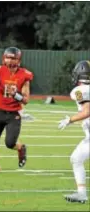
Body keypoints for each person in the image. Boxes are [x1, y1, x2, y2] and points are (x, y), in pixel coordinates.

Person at [0, 47, 33, 173]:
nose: (9, 60)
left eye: (12, 58)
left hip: (14, 114)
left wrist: (15, 95)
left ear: (18, 60)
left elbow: (26, 100)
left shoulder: (24, 74)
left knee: (10, 143)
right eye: (8, 57)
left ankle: (20, 148)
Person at [58, 60, 90, 203]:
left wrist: (70, 120)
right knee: (76, 158)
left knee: (76, 159)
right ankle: (81, 193)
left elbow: (87, 111)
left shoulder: (80, 90)